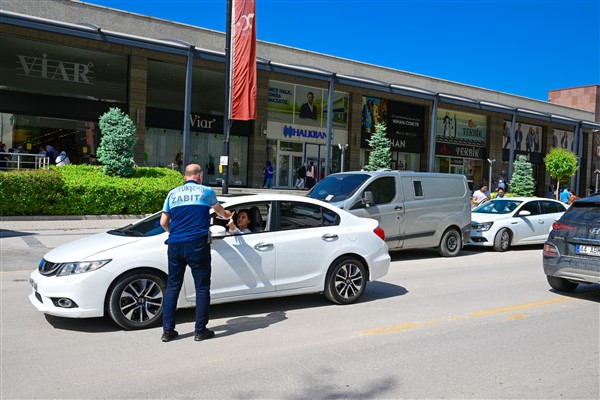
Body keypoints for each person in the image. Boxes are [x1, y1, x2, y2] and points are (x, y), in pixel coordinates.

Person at [159, 163, 232, 342]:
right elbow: (220, 212)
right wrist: (228, 216)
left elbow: (163, 222)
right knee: (201, 287)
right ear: (199, 177)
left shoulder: (173, 193)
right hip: (197, 244)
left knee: (173, 287)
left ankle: (167, 331)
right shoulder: (206, 191)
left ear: (185, 177)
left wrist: (174, 234)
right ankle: (200, 331)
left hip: (175, 245)